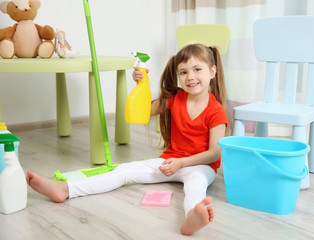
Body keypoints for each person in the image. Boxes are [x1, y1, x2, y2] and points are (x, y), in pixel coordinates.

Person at [27, 43, 228, 236]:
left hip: (200, 166)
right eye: (183, 72)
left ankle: (192, 216)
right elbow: (144, 112)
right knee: (123, 171)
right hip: (170, 161)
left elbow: (214, 153)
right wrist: (141, 83)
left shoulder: (216, 111)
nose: (190, 77)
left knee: (195, 185)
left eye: (197, 70)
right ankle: (65, 189)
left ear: (212, 71)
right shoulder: (174, 99)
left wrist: (182, 163)